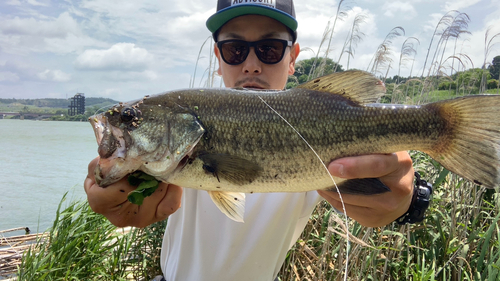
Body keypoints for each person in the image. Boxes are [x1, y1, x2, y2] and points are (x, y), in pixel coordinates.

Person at [84, 0, 415, 280]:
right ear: (218, 57)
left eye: (270, 49)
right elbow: (114, 187)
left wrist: (408, 201)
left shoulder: (315, 121)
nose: (252, 65)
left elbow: (390, 175)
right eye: (235, 49)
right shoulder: (168, 161)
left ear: (293, 57)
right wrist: (118, 195)